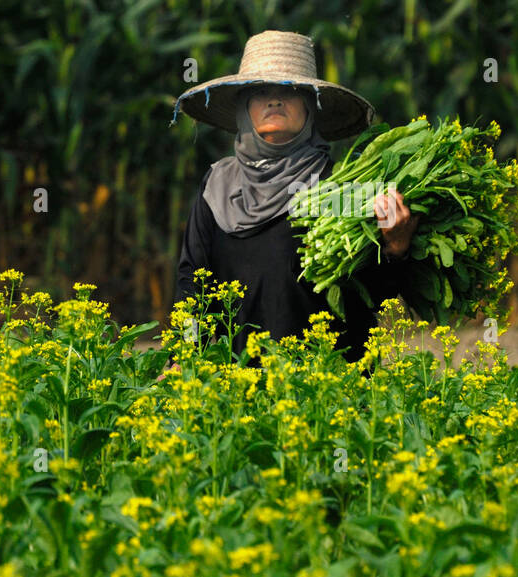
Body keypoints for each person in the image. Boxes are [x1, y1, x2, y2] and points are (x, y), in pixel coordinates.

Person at [167, 30, 419, 366]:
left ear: (309, 108)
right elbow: (192, 287)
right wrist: (182, 358)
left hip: (327, 388)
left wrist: (395, 248)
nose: (274, 100)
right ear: (244, 108)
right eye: (260, 92)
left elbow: (371, 295)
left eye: (289, 91)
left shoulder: (339, 187)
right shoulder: (217, 186)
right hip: (237, 391)